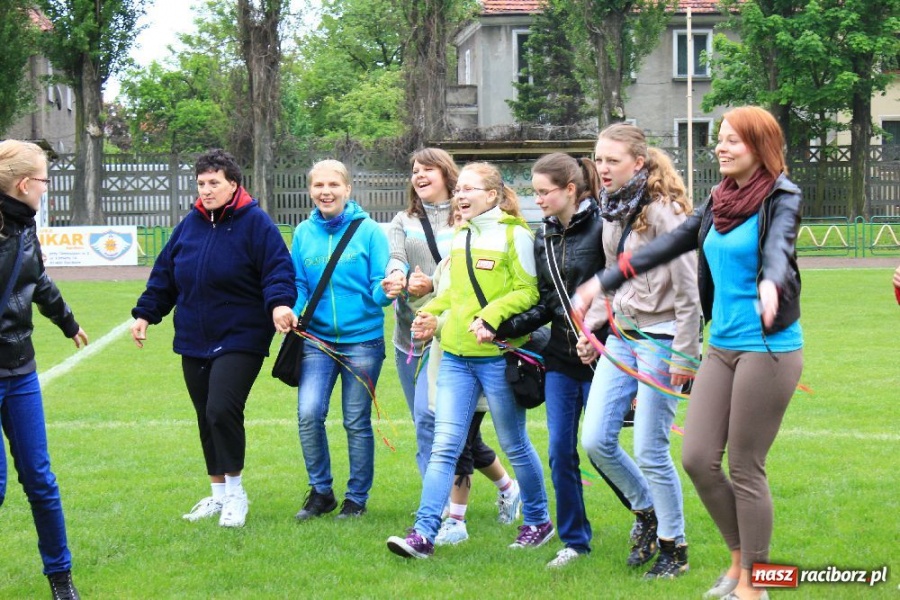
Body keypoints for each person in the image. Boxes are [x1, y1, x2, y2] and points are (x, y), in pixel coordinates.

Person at [575, 107, 803, 600]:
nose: (720, 148)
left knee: (744, 465)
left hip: (767, 348)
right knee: (699, 458)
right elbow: (667, 246)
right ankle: (739, 562)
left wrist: (771, 282)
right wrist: (602, 281)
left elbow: (780, 247)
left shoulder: (782, 196)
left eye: (733, 142)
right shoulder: (719, 200)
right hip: (722, 346)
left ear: (760, 147)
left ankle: (757, 585)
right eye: (719, 139)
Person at [387, 161, 553, 559]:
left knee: (514, 444)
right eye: (458, 189)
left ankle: (538, 520)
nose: (459, 196)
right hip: (457, 358)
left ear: (493, 196)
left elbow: (529, 292)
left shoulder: (516, 236)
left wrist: (491, 317)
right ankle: (424, 532)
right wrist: (431, 312)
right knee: (444, 446)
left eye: (469, 190)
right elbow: (453, 293)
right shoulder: (461, 236)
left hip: (497, 357)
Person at [131, 149, 297, 529]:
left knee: (222, 409)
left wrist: (279, 305)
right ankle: (218, 494)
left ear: (233, 185)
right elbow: (165, 276)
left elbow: (277, 271)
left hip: (242, 336)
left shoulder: (256, 223)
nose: (206, 190)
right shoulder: (189, 225)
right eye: (201, 183)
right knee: (206, 416)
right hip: (194, 337)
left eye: (214, 183)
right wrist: (145, 314)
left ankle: (237, 494)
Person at [574, 124, 701, 579]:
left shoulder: (665, 212)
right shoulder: (612, 208)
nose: (602, 168)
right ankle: (647, 510)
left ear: (639, 163)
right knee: (595, 439)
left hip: (664, 338)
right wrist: (592, 329)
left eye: (612, 160)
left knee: (650, 447)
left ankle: (674, 547)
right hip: (622, 336)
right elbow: (614, 273)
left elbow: (688, 286)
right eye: (598, 159)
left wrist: (687, 353)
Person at [496, 152, 633, 568]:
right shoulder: (544, 236)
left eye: (543, 192)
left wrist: (600, 338)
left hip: (603, 354)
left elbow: (618, 292)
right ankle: (575, 540)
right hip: (559, 358)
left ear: (570, 189)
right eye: (534, 192)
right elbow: (548, 302)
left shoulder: (604, 228)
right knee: (560, 450)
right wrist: (506, 324)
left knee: (601, 447)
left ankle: (647, 513)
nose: (536, 200)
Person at [0, 140, 88, 600]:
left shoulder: (24, 227)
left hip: (19, 369)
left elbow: (37, 281)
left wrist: (68, 322)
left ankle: (61, 580)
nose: (46, 189)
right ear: (22, 184)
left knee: (40, 479)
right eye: (44, 181)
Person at [291, 159, 393, 520]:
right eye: (318, 185)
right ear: (311, 190)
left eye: (333, 184)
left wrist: (387, 292)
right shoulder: (303, 232)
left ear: (348, 189)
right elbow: (300, 284)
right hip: (316, 340)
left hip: (363, 342)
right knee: (308, 414)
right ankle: (321, 492)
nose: (326, 191)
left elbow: (378, 286)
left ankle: (356, 499)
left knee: (355, 420)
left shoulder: (368, 231)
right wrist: (293, 311)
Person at [424, 201, 522, 546]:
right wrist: (424, 303)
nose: (457, 223)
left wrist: (436, 322)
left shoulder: (498, 252)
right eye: (454, 217)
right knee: (468, 441)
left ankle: (455, 521)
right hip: (447, 359)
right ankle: (510, 489)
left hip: (479, 359)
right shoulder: (449, 259)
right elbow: (443, 299)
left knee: (458, 444)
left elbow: (470, 312)